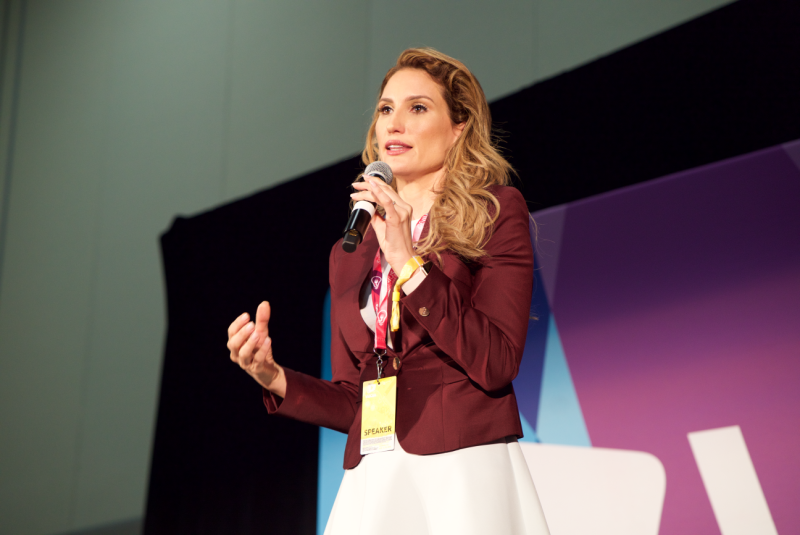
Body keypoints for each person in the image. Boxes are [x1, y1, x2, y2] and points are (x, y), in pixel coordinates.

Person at [227, 48, 550, 534]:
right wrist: (274, 377)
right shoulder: (349, 250)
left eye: (417, 108)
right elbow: (356, 400)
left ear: (459, 126)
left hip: (461, 468)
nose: (394, 123)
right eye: (385, 109)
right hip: (375, 477)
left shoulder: (495, 212)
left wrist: (408, 262)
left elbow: (497, 361)